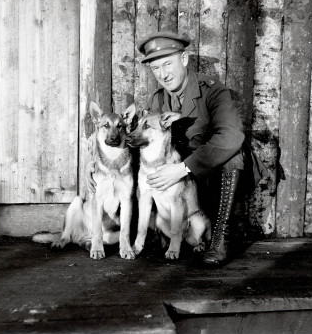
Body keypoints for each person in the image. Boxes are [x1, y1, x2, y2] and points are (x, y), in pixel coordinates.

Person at [88, 31, 264, 266]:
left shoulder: (213, 92)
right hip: (176, 186)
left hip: (211, 178)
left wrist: (184, 168)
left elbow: (231, 136)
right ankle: (164, 234)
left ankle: (221, 237)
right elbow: (137, 140)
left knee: (235, 155)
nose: (163, 74)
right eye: (156, 68)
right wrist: (95, 165)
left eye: (168, 64)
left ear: (184, 59)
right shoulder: (157, 100)